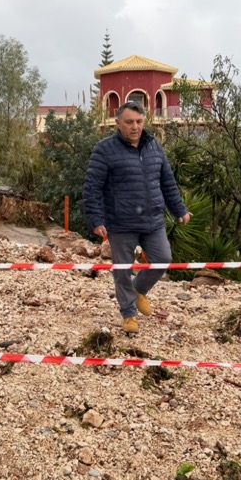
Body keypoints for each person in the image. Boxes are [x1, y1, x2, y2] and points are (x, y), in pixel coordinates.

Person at [83, 101, 191, 334]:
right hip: (120, 222)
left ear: (144, 122)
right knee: (123, 270)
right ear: (118, 123)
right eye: (129, 122)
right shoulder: (104, 150)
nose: (135, 127)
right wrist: (96, 219)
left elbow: (167, 181)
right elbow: (92, 187)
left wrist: (180, 209)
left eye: (139, 121)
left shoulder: (154, 146)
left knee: (163, 258)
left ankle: (138, 289)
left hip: (153, 220)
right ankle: (129, 314)